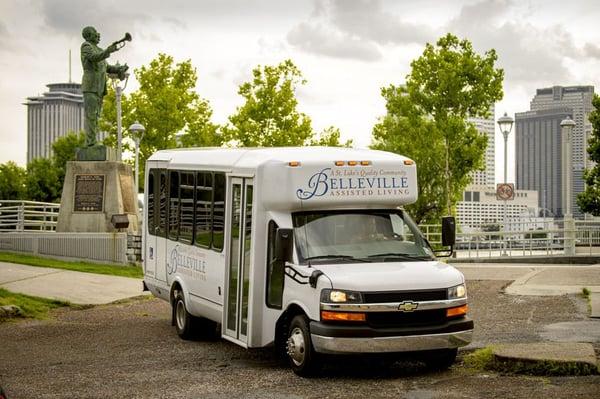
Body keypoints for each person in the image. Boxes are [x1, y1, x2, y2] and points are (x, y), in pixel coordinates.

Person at [80, 26, 128, 147]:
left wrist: (119, 69)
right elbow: (94, 58)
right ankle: (90, 143)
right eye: (95, 33)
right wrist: (108, 51)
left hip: (99, 87)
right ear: (89, 35)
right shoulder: (86, 46)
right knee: (91, 115)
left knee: (96, 116)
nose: (98, 34)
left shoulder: (99, 49)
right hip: (90, 86)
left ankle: (92, 141)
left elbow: (107, 67)